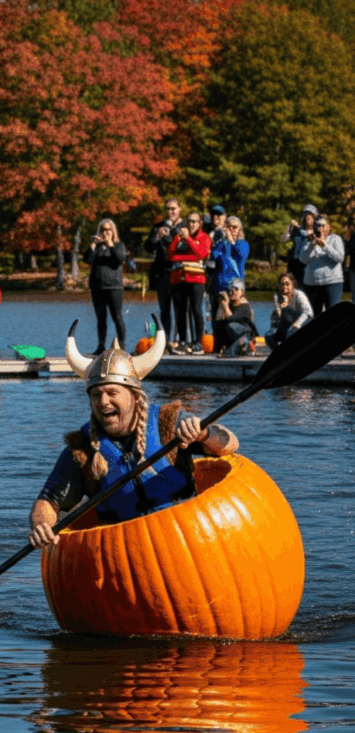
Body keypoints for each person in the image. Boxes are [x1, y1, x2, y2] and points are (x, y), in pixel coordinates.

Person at [28, 328, 238, 547]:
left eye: (112, 393)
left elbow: (230, 443)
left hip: (188, 537)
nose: (103, 402)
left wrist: (205, 434)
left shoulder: (168, 422)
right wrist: (41, 525)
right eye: (96, 395)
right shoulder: (83, 450)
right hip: (126, 549)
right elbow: (48, 501)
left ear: (135, 397)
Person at [167, 212, 211, 354]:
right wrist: (179, 238)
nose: (191, 224)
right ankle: (182, 342)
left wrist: (188, 240)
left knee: (196, 309)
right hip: (179, 279)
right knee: (180, 311)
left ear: (200, 223)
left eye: (194, 221)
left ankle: (198, 343)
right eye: (189, 221)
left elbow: (201, 254)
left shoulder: (204, 237)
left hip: (196, 279)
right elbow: (171, 255)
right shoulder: (178, 236)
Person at [83, 219, 127, 354]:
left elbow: (120, 259)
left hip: (114, 287)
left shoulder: (119, 245)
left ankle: (122, 346)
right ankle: (101, 346)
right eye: (103, 230)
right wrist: (92, 245)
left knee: (117, 317)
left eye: (108, 229)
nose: (105, 232)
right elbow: (87, 259)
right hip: (97, 287)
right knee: (101, 318)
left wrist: (111, 245)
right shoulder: (97, 247)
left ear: (113, 231)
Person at [144, 198, 183, 346]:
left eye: (173, 208)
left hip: (180, 272)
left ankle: (180, 341)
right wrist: (157, 237)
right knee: (164, 309)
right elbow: (148, 247)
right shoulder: (158, 227)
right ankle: (164, 341)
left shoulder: (185, 226)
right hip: (163, 273)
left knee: (180, 309)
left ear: (179, 209)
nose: (170, 212)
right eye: (168, 209)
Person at [298, 214, 345, 316]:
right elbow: (303, 260)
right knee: (315, 316)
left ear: (329, 226)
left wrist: (324, 245)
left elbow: (340, 258)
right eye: (318, 225)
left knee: (333, 315)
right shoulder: (309, 240)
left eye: (323, 225)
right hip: (312, 284)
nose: (320, 228)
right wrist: (312, 245)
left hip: (332, 282)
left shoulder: (335, 239)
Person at [267, 273, 313, 351]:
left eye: (287, 284)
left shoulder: (299, 294)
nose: (284, 286)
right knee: (269, 336)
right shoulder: (277, 296)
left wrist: (298, 323)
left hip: (302, 322)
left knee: (291, 331)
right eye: (282, 284)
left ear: (292, 284)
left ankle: (296, 349)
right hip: (287, 324)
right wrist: (280, 308)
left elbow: (308, 313)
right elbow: (276, 319)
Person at [213, 279, 258, 356]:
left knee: (231, 326)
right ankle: (238, 347)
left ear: (242, 292)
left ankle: (246, 342)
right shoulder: (230, 304)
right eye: (231, 290)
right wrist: (221, 305)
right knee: (220, 326)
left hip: (245, 332)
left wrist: (226, 306)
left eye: (236, 289)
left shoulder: (244, 306)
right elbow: (218, 320)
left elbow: (231, 319)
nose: (233, 292)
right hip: (234, 336)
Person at [210, 215, 249, 296]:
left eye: (234, 227)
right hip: (219, 286)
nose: (231, 230)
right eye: (228, 227)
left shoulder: (243, 244)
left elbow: (240, 255)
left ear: (240, 230)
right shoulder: (221, 244)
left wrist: (230, 240)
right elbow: (213, 257)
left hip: (236, 286)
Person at [282, 204, 319, 285]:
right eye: (307, 217)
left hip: (307, 265)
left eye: (311, 217)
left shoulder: (316, 233)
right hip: (294, 263)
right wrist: (289, 227)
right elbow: (283, 239)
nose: (309, 219)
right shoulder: (297, 230)